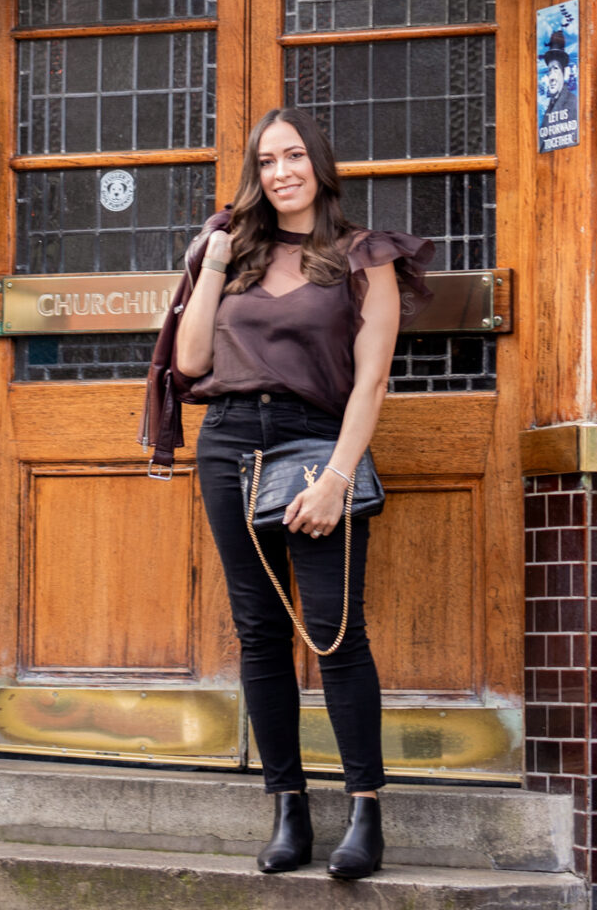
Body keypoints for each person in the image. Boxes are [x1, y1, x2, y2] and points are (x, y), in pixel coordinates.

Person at [143, 106, 431, 880]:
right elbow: (191, 363)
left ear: (320, 165)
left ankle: (365, 811)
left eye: (294, 156)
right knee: (260, 633)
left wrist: (336, 479)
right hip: (228, 443)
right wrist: (210, 263)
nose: (281, 173)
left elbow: (372, 381)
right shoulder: (232, 252)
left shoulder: (364, 256)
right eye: (266, 161)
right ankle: (288, 810)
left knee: (336, 632)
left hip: (315, 444)